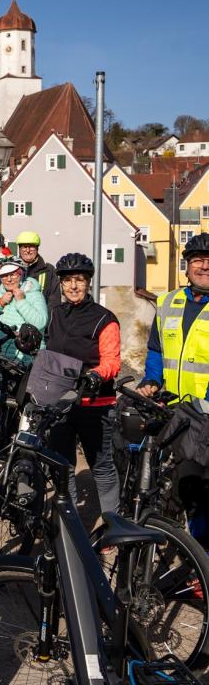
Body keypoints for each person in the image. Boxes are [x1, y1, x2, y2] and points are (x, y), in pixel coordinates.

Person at [139, 233, 209, 544]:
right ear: (187, 266)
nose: (203, 266)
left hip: (204, 416)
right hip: (172, 410)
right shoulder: (168, 302)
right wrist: (152, 381)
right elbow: (156, 350)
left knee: (198, 491)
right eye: (197, 260)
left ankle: (201, 561)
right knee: (172, 484)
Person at [45, 252, 121, 514]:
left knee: (101, 467)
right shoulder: (55, 314)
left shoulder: (104, 318)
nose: (73, 286)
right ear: (61, 284)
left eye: (79, 279)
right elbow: (50, 352)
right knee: (63, 465)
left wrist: (96, 375)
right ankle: (70, 522)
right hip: (62, 402)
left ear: (89, 283)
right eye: (68, 281)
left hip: (95, 402)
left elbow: (112, 360)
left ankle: (113, 524)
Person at [0, 256, 47, 363]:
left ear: (22, 273)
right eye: (4, 276)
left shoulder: (35, 294)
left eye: (13, 274)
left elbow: (40, 323)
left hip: (28, 359)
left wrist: (21, 301)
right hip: (0, 356)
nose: (9, 279)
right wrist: (0, 302)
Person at [16, 231, 60, 310]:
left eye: (31, 246)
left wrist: (48, 319)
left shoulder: (49, 270)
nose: (28, 250)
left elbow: (54, 300)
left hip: (42, 319)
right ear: (19, 249)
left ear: (37, 248)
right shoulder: (13, 269)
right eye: (24, 247)